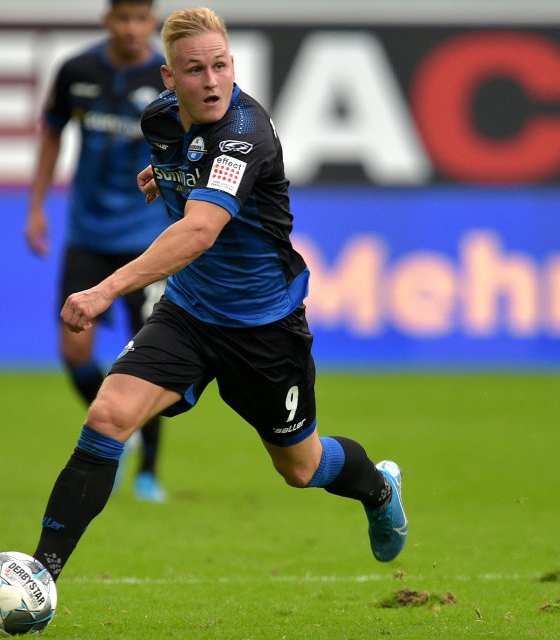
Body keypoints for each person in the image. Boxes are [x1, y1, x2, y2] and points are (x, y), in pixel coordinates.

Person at [33, 6, 407, 581]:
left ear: (233, 66)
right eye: (194, 70)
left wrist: (104, 290)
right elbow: (187, 165)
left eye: (220, 66)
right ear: (168, 79)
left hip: (264, 327)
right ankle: (40, 577)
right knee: (108, 415)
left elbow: (201, 230)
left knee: (300, 468)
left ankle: (378, 488)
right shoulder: (159, 121)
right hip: (188, 312)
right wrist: (170, 175)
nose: (210, 81)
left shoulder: (244, 133)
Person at [26, 0, 169, 502]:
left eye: (141, 18)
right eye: (123, 18)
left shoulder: (166, 77)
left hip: (147, 243)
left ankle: (149, 471)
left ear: (152, 22)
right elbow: (51, 134)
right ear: (108, 20)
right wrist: (37, 206)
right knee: (73, 348)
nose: (132, 28)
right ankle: (115, 423)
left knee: (150, 359)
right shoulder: (77, 71)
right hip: (88, 235)